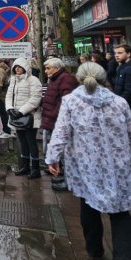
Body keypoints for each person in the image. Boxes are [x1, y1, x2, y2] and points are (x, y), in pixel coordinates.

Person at [45, 62, 131, 260]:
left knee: (88, 204)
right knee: (120, 210)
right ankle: (128, 257)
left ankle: (95, 249)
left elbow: (61, 132)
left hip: (85, 164)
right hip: (117, 165)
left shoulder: (71, 101)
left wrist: (52, 158)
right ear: (103, 79)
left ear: (80, 79)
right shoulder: (119, 102)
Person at [40, 57, 78, 189]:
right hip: (53, 119)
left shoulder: (65, 79)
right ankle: (62, 176)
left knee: (64, 152)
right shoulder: (55, 79)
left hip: (57, 120)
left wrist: (54, 115)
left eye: (48, 68)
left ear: (56, 68)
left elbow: (65, 101)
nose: (45, 71)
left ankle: (68, 181)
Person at [6, 57, 43, 179]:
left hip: (29, 117)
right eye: (15, 67)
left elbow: (35, 99)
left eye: (19, 67)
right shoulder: (13, 80)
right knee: (22, 142)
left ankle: (35, 169)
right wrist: (10, 108)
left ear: (25, 68)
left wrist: (21, 111)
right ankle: (25, 167)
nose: (17, 69)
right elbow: (8, 96)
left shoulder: (33, 80)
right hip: (16, 116)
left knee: (31, 142)